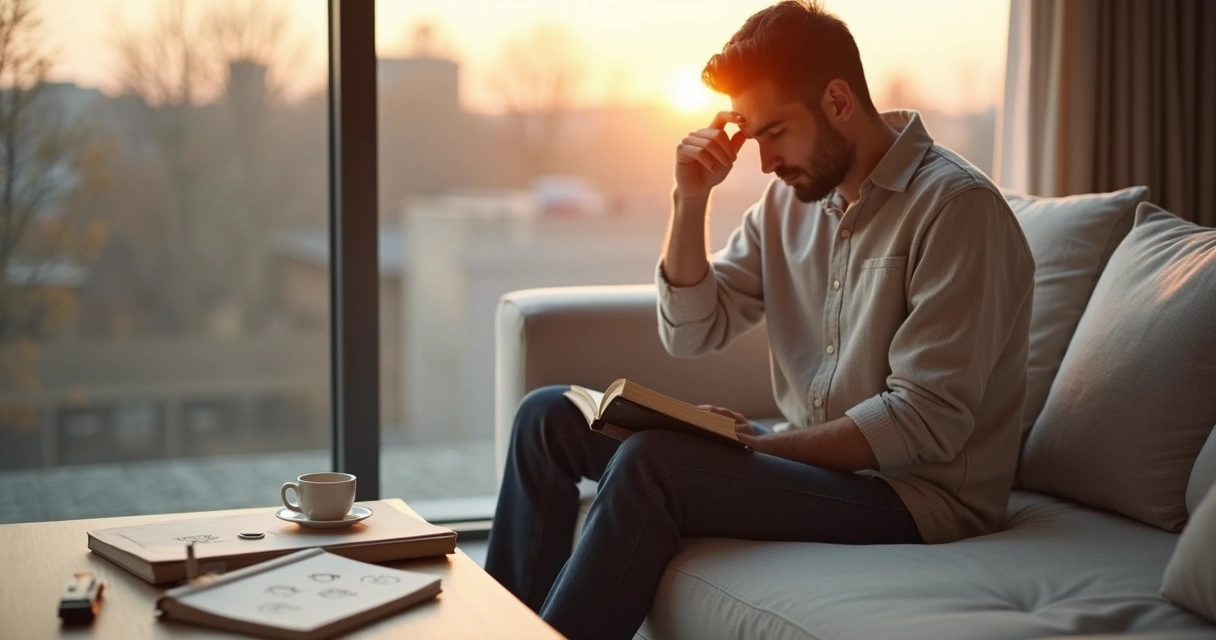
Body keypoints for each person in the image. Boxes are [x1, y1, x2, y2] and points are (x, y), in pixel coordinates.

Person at [485, 1, 1036, 638]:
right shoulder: (789, 205)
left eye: (773, 132)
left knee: (655, 463)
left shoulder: (957, 209)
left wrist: (754, 448)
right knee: (548, 418)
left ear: (837, 101)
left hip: (915, 497)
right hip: (813, 466)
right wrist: (690, 201)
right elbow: (691, 331)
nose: (765, 162)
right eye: (752, 136)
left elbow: (921, 422)